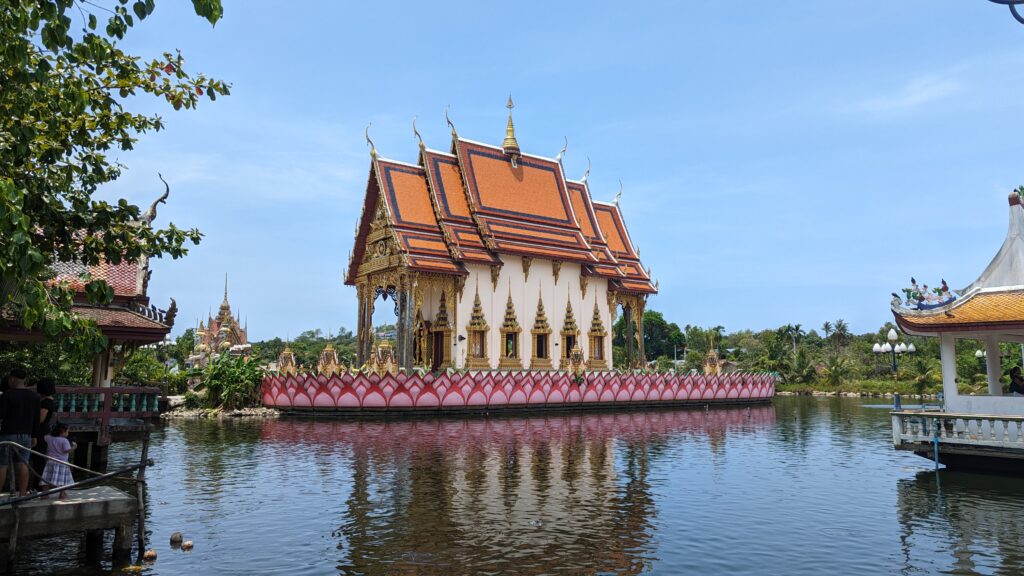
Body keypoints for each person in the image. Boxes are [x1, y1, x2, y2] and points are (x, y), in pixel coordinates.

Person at [0, 368, 40, 496]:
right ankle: (22, 493)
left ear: (12, 379)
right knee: (23, 463)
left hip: (8, 434)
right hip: (26, 435)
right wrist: (34, 435)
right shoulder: (34, 397)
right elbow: (36, 418)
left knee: (2, 465)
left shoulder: (7, 395)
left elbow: (1, 415)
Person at [31, 378, 57, 488]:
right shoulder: (47, 400)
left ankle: (39, 485)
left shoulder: (46, 402)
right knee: (38, 459)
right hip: (44, 430)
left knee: (39, 459)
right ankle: (40, 484)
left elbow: (40, 419)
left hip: (41, 432)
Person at [40, 423, 76, 499]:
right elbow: (66, 450)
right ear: (62, 432)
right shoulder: (64, 440)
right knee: (62, 479)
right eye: (67, 431)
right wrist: (74, 447)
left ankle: (45, 494)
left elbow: (45, 436)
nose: (68, 433)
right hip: (62, 462)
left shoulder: (49, 438)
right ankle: (62, 493)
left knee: (47, 478)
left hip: (51, 461)